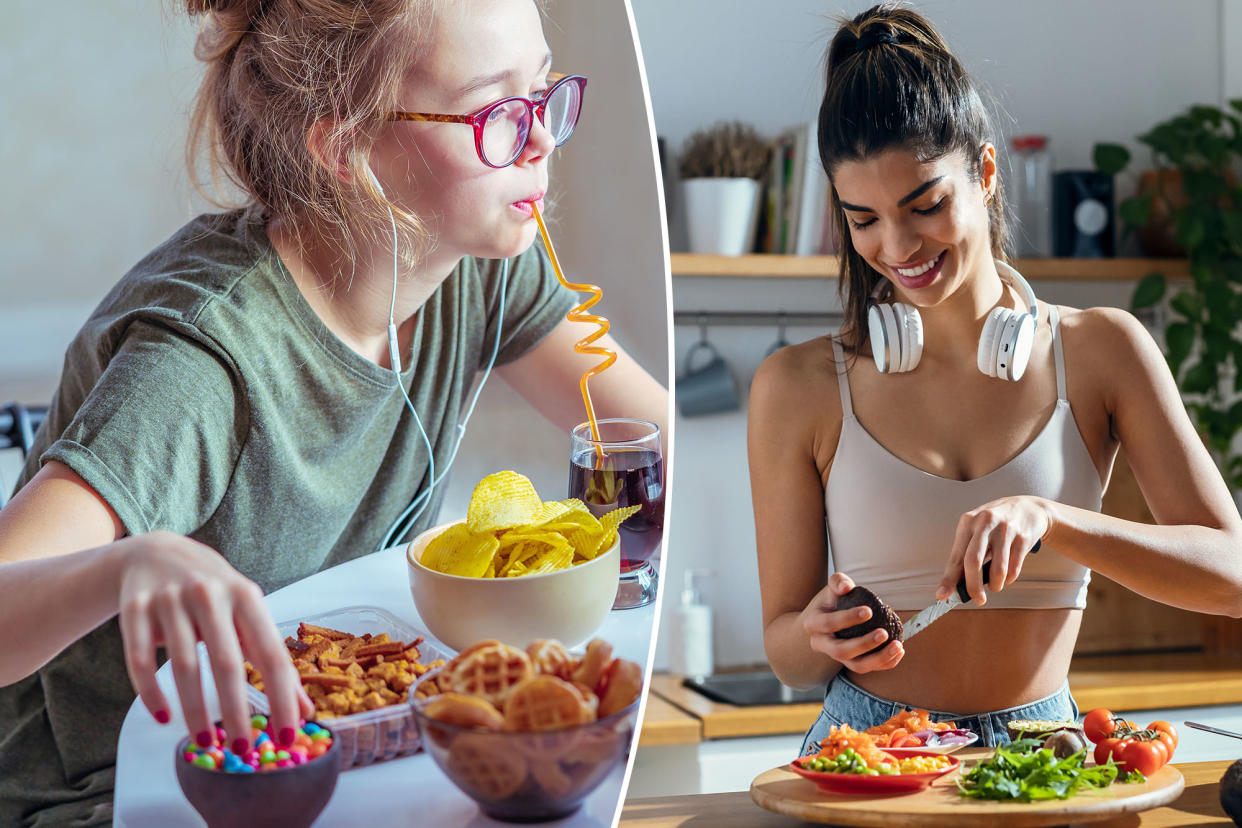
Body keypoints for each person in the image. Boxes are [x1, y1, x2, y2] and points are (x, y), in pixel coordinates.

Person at [0, 1, 667, 823]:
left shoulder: (475, 262)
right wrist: (124, 568)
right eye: (498, 111)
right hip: (125, 790)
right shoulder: (203, 365)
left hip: (324, 755)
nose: (541, 141)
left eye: (545, 91)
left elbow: (654, 438)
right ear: (346, 145)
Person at [748, 3, 1242, 754]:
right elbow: (784, 648)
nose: (898, 244)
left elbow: (1232, 575)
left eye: (926, 205)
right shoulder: (799, 386)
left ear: (982, 173)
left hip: (1044, 751)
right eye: (865, 219)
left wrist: (1053, 519)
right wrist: (819, 634)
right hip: (871, 750)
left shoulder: (1104, 351)